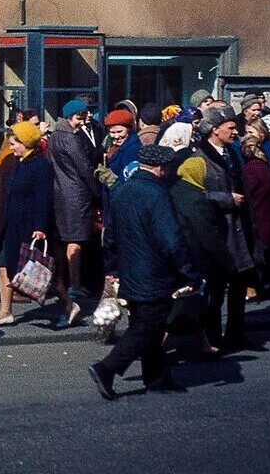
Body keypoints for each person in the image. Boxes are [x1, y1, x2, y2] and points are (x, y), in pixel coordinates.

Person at [90, 143, 199, 400]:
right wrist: (189, 272)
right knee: (147, 328)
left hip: (130, 272)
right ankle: (106, 368)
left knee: (147, 323)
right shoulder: (157, 195)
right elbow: (172, 240)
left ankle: (158, 378)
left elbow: (110, 237)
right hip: (154, 274)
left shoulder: (123, 192)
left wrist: (113, 268)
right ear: (161, 168)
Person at [0, 120, 80, 329]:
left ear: (26, 143)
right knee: (4, 265)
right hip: (13, 225)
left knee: (43, 273)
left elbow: (44, 198)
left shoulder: (41, 166)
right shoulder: (19, 163)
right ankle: (5, 312)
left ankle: (69, 305)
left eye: (14, 143)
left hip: (31, 228)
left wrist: (41, 227)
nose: (11, 147)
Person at [193, 105, 259, 349]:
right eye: (230, 127)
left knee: (239, 284)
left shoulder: (232, 153)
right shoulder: (198, 159)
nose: (235, 132)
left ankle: (236, 334)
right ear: (214, 130)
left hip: (238, 231)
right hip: (218, 234)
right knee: (215, 290)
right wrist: (226, 199)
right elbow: (195, 195)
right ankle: (212, 338)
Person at [170, 155, 232, 357]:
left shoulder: (175, 190)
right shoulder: (196, 197)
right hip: (199, 259)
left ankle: (203, 342)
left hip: (179, 257)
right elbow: (208, 235)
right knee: (205, 302)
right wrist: (226, 260)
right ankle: (211, 341)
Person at [50, 98, 100, 299]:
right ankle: (75, 284)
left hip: (60, 191)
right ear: (70, 116)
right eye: (79, 117)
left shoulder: (55, 135)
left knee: (64, 240)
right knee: (76, 240)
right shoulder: (71, 137)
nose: (82, 121)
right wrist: (97, 190)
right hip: (76, 194)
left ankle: (62, 281)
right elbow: (84, 168)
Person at [241, 119, 270, 296]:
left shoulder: (251, 169)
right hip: (268, 214)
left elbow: (247, 193)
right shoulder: (266, 166)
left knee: (256, 255)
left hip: (257, 216)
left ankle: (255, 290)